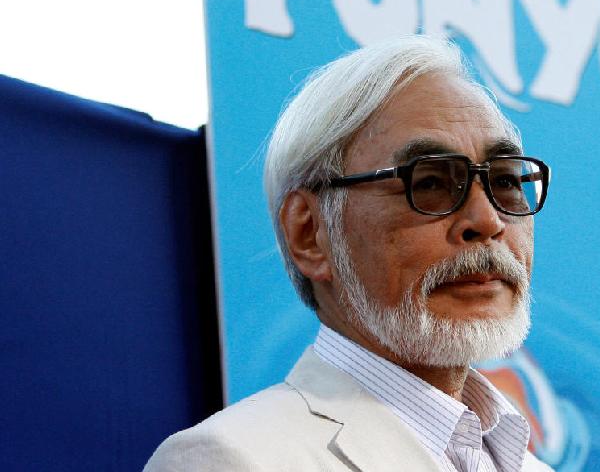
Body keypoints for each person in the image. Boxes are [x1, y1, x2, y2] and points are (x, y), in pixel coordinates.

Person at [145, 35, 554, 471]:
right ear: (310, 234)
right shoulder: (230, 459)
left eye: (506, 181)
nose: (488, 220)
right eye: (430, 182)